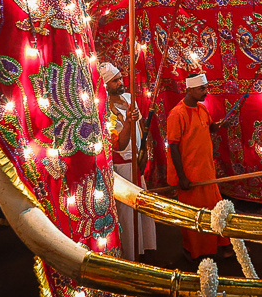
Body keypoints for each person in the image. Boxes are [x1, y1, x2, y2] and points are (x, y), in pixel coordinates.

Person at [166, 73, 233, 260]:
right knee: (196, 217)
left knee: (216, 210)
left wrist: (219, 125)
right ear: (189, 90)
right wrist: (182, 178)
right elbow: (173, 146)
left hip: (207, 174)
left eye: (206, 87)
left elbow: (208, 127)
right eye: (201, 88)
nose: (206, 92)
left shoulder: (202, 109)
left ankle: (223, 247)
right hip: (190, 177)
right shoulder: (177, 114)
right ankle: (196, 253)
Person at [100, 62, 156, 261]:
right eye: (115, 81)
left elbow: (142, 128)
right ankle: (131, 255)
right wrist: (128, 122)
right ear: (105, 85)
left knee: (140, 204)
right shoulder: (104, 108)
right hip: (121, 166)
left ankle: (143, 248)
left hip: (136, 160)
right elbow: (120, 144)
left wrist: (145, 153)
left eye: (120, 78)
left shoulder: (129, 98)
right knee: (127, 209)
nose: (120, 83)